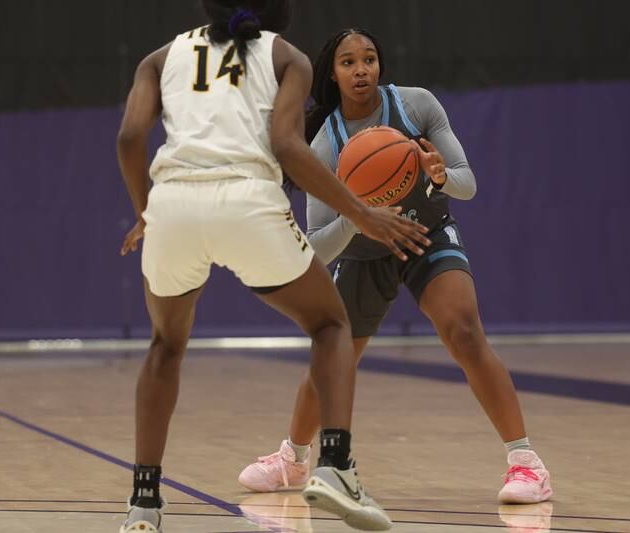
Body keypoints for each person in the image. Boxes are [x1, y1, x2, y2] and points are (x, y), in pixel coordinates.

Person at [116, 4, 429, 532]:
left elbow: (129, 139)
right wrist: (362, 214)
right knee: (330, 325)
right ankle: (334, 466)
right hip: (247, 201)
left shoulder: (160, 57)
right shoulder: (287, 57)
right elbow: (286, 145)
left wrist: (146, 212)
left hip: (173, 204)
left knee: (165, 346)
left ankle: (143, 503)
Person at [239, 28, 552, 505]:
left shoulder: (416, 105)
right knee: (333, 356)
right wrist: (356, 215)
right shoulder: (325, 145)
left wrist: (440, 176)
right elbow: (316, 248)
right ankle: (293, 460)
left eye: (368, 59)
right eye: (348, 62)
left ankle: (526, 463)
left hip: (426, 234)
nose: (360, 70)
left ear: (380, 64)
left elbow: (467, 185)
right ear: (333, 74)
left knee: (465, 332)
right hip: (364, 252)